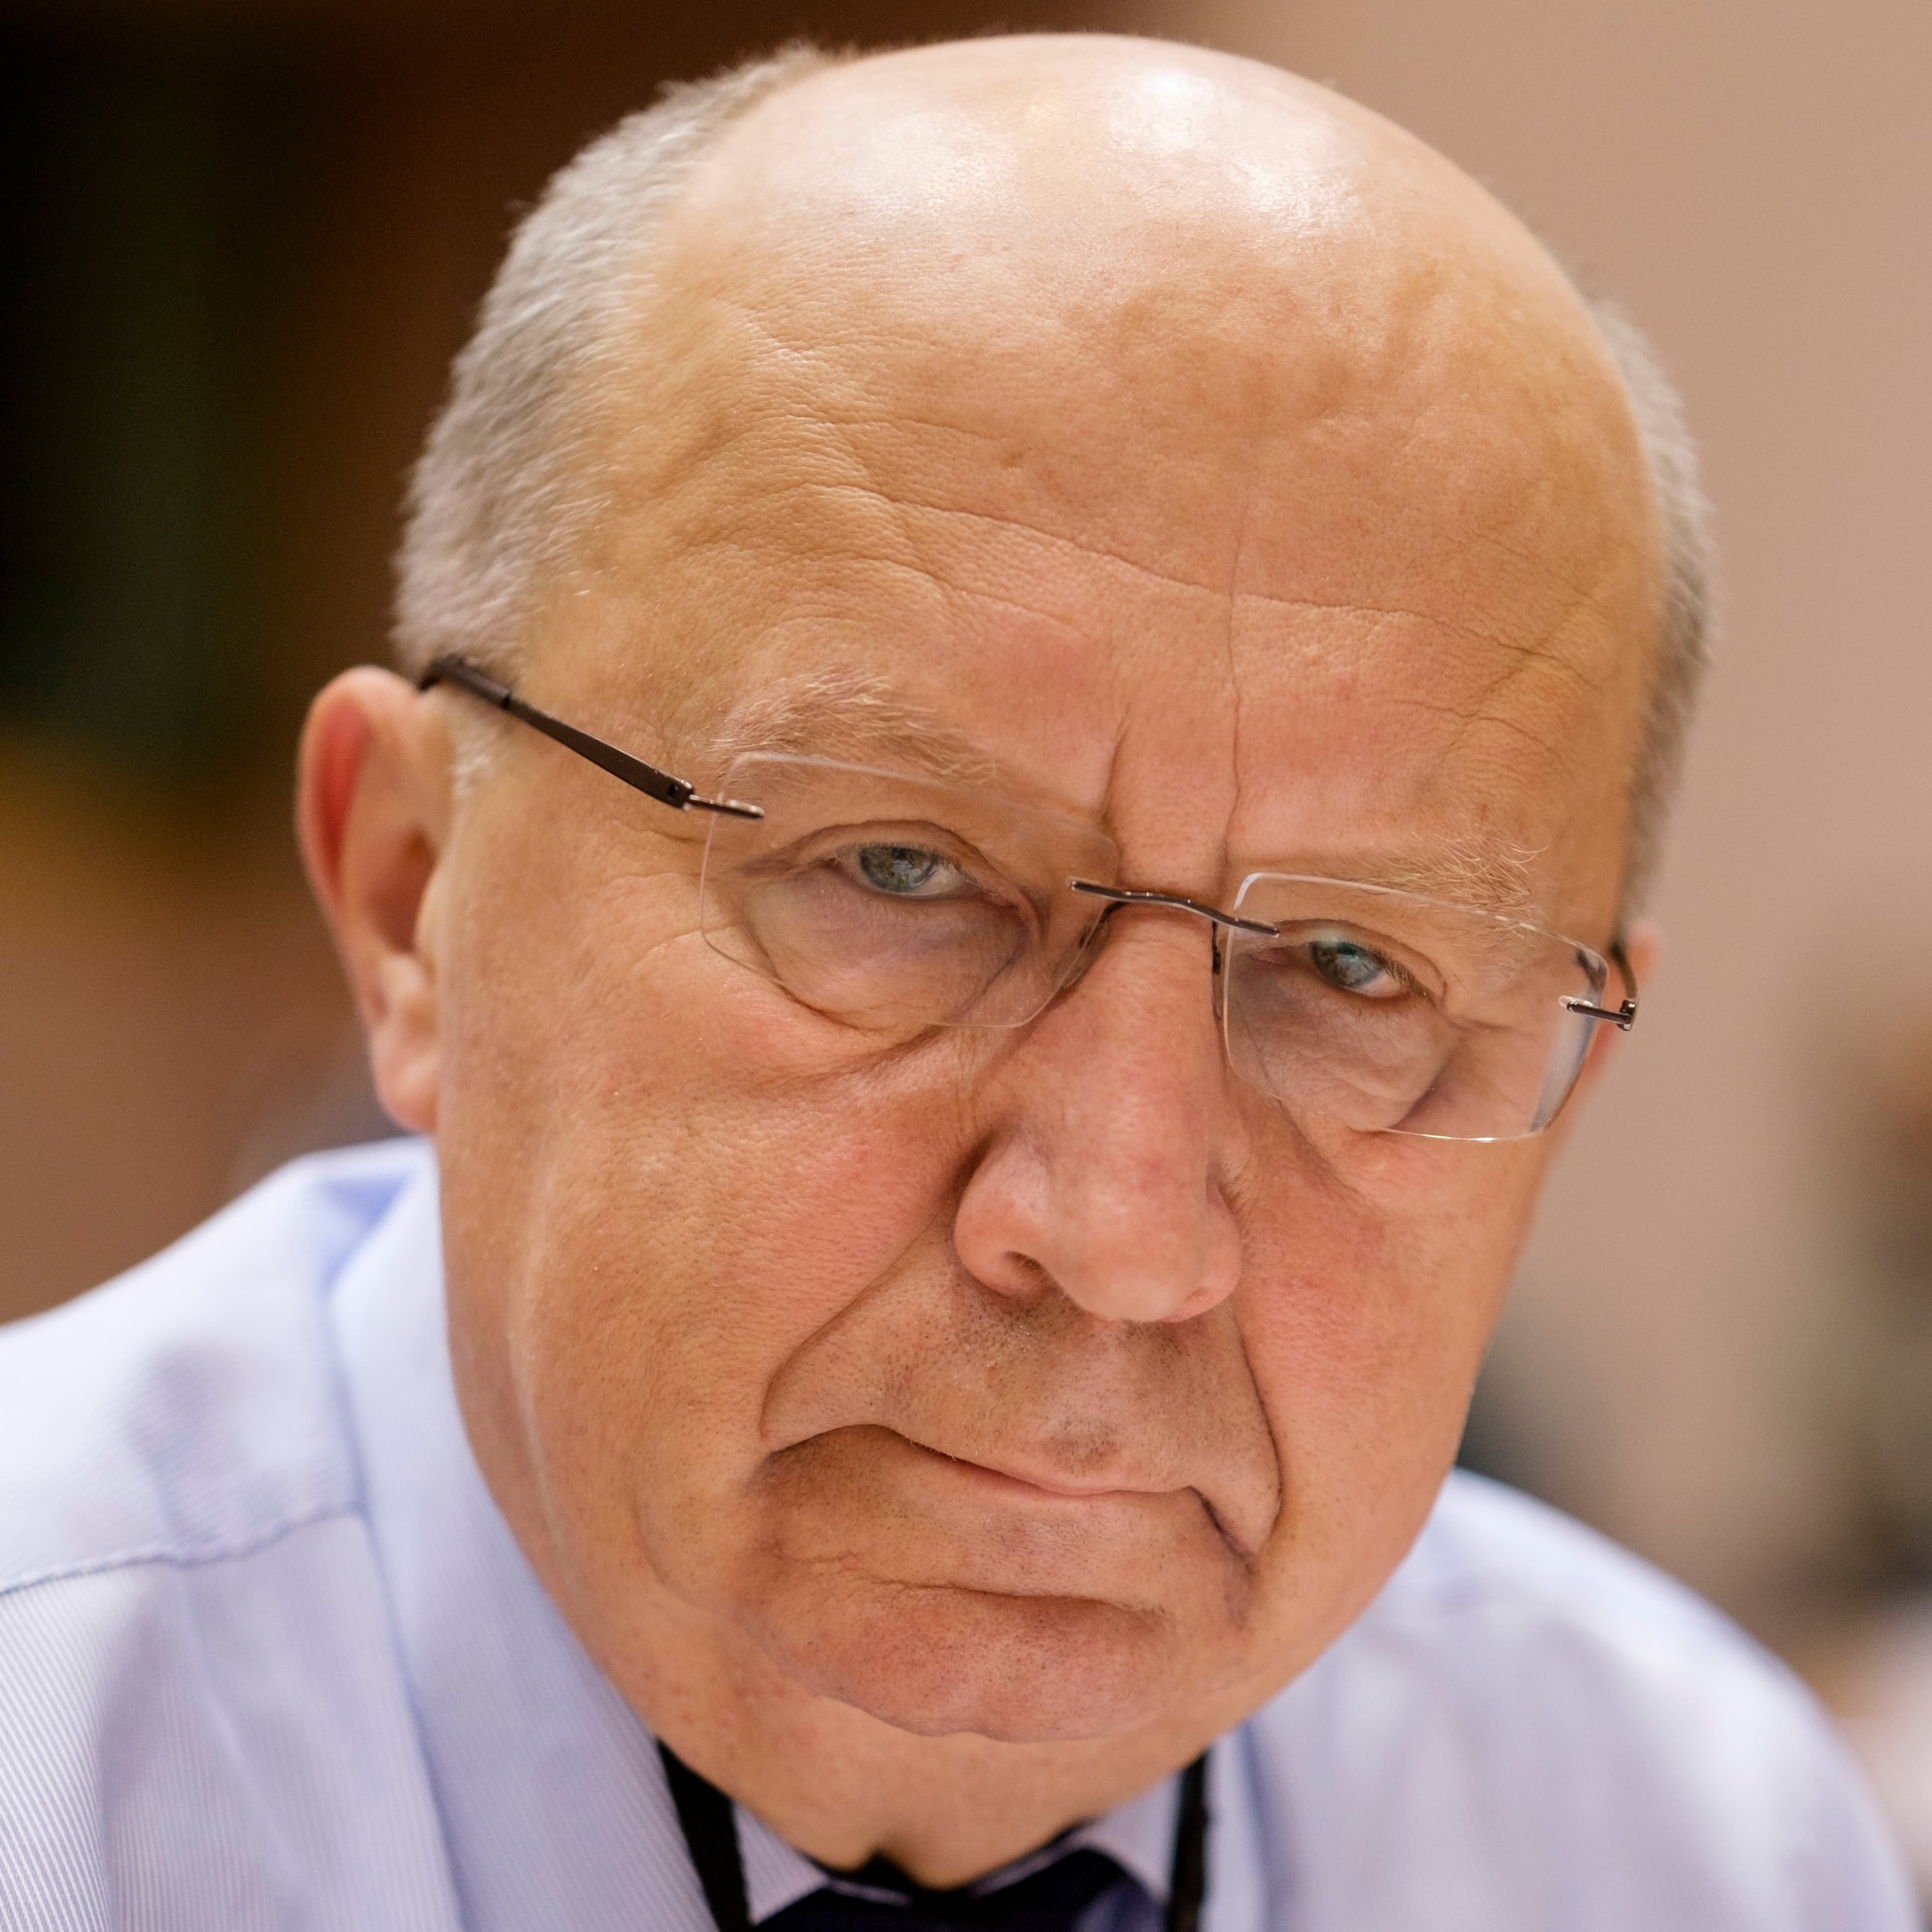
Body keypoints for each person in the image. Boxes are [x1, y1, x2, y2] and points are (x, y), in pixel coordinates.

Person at [0, 32, 1913, 1932]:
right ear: (416, 901)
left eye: (1352, 968)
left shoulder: (1688, 1844)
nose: (1116, 1232)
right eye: (900, 871)